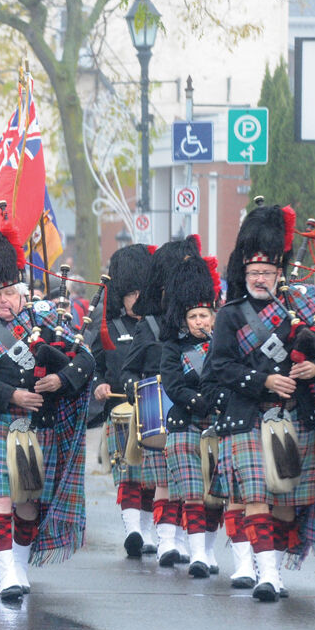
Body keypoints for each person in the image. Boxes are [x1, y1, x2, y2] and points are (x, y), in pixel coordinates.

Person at [209, 201, 315, 603]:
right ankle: (269, 576)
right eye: (253, 272)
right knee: (258, 496)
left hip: (294, 419)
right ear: (243, 273)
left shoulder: (300, 308)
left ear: (280, 272)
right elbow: (218, 367)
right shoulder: (230, 316)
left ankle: (271, 569)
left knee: (284, 503)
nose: (259, 278)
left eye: (267, 272)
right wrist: (264, 380)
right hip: (246, 418)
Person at [0, 224, 92, 601]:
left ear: (21, 292)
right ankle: (6, 575)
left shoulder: (45, 321)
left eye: (10, 293)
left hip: (38, 424)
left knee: (28, 502)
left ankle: (18, 564)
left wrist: (61, 381)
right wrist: (13, 393)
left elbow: (85, 359)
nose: (4, 301)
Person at [117, 235, 199, 567]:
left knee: (193, 480)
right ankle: (167, 541)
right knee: (165, 480)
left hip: (194, 406)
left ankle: (189, 543)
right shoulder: (149, 326)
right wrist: (140, 388)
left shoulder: (202, 321)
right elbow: (128, 371)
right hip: (158, 408)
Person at [157, 252, 225, 579]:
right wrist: (201, 402)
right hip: (184, 424)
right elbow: (172, 385)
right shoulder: (172, 347)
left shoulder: (223, 345)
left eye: (204, 315)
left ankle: (208, 550)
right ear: (184, 319)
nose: (200, 321)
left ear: (214, 316)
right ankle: (197, 552)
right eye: (194, 316)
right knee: (194, 492)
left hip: (217, 426)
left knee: (216, 496)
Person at [90, 244, 154, 557]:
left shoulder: (158, 327)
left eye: (141, 292)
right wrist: (100, 385)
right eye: (131, 294)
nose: (137, 300)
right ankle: (133, 531)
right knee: (128, 474)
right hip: (120, 411)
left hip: (155, 408)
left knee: (153, 477)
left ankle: (150, 529)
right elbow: (97, 367)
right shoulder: (108, 328)